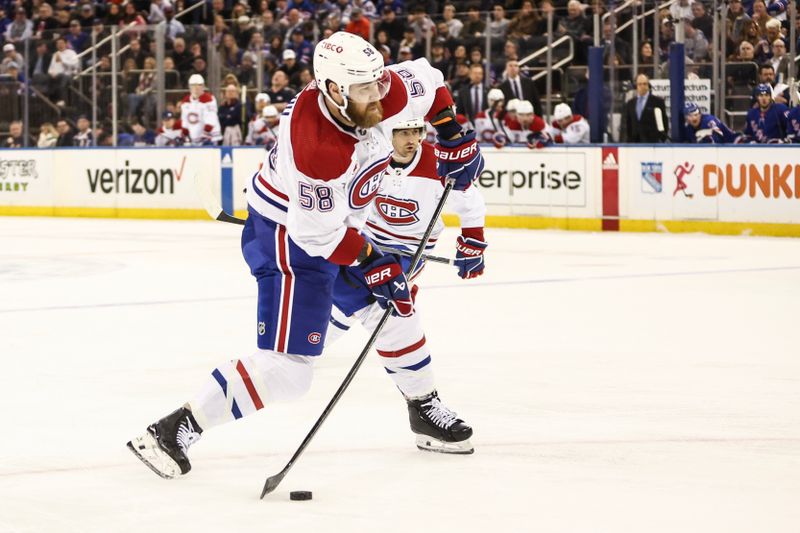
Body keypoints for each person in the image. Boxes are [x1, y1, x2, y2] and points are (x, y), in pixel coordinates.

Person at [127, 31, 485, 478]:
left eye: (378, 84)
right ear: (333, 90)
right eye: (364, 90)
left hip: (341, 223)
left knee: (394, 311)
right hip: (289, 239)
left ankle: (422, 407)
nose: (379, 97)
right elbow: (317, 236)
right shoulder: (317, 146)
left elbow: (428, 82)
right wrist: (374, 261)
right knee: (290, 371)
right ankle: (173, 428)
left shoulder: (373, 88)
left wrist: (454, 133)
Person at [324, 117, 486, 454]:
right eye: (403, 132)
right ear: (387, 133)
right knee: (326, 326)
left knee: (392, 314)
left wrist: (473, 241)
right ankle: (295, 355)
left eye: (417, 131)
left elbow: (470, 203)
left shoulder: (439, 163)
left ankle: (424, 405)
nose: (412, 139)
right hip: (364, 249)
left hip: (406, 257)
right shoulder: (368, 159)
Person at [622, 73, 668, 143]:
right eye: (640, 84)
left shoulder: (658, 102)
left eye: (644, 84)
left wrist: (661, 139)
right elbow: (628, 124)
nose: (642, 86)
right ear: (636, 86)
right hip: (634, 143)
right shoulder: (630, 103)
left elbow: (664, 122)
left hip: (652, 143)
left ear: (648, 85)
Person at [179, 74, 222, 145]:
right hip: (194, 138)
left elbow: (211, 120)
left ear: (203, 86)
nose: (196, 88)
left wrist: (206, 134)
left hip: (209, 137)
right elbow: (185, 121)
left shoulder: (208, 99)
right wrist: (184, 135)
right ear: (189, 87)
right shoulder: (185, 102)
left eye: (199, 85)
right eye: (193, 85)